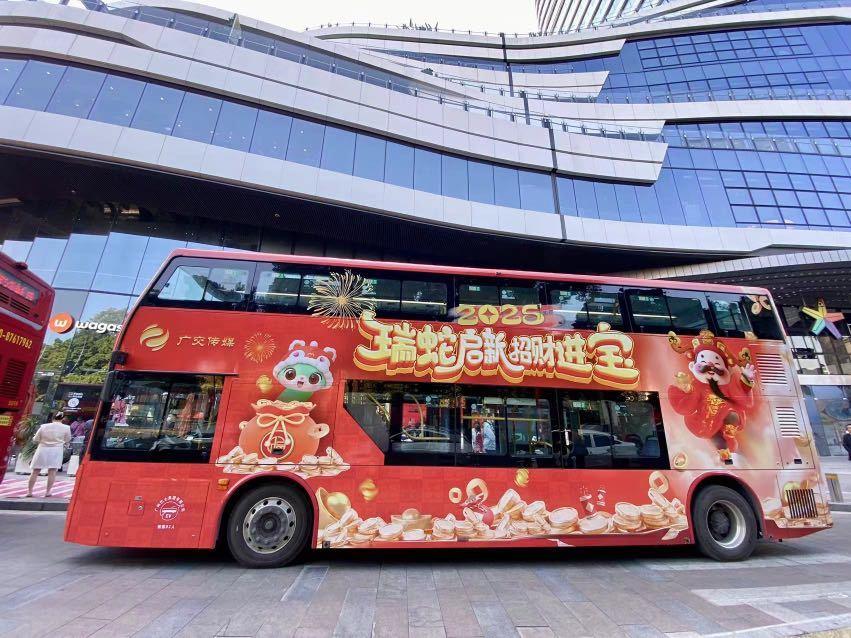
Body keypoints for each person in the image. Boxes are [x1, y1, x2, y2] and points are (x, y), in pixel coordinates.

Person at [27, 411, 72, 498]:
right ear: (62, 418)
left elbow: (36, 439)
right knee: (52, 472)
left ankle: (29, 491)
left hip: (42, 449)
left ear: (52, 417)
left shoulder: (44, 426)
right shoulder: (66, 428)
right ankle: (48, 492)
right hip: (56, 450)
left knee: (35, 471)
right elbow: (67, 439)